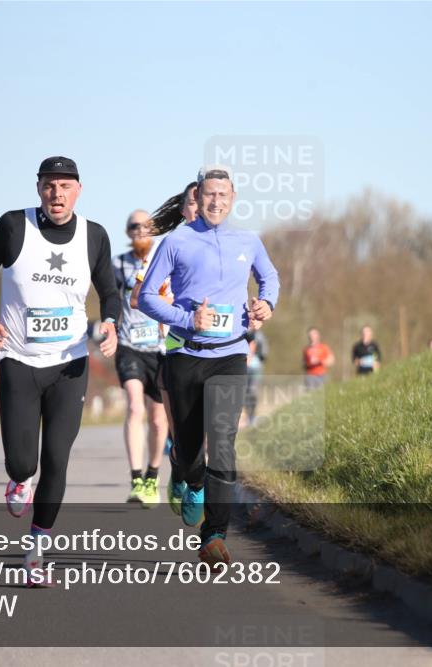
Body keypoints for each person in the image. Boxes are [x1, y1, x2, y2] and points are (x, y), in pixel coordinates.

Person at [0, 156, 120, 583]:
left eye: (65, 186)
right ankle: (19, 480)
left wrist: (110, 323)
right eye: (49, 186)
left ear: (79, 189)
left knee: (57, 458)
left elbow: (109, 291)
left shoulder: (94, 236)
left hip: (69, 366)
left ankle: (36, 551)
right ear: (38, 189)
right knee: (22, 462)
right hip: (18, 360)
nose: (57, 194)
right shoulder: (14, 226)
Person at [139, 165, 280, 568]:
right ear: (198, 198)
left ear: (232, 198)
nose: (216, 201)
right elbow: (148, 297)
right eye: (209, 194)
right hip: (185, 355)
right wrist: (186, 320)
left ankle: (215, 535)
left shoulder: (248, 241)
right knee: (187, 450)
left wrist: (265, 304)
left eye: (223, 194)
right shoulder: (176, 242)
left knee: (222, 442)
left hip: (230, 355)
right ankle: (187, 476)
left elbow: (270, 279)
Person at [132, 182, 198, 515]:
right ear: (183, 209)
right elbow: (137, 297)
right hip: (172, 349)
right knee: (178, 428)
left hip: (212, 351)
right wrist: (167, 302)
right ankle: (179, 469)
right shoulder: (172, 246)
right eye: (193, 202)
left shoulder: (221, 247)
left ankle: (194, 481)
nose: (201, 207)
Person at [113, 209, 169, 508]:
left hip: (160, 349)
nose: (140, 231)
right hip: (129, 346)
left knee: (159, 420)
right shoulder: (118, 264)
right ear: (128, 232)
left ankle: (152, 474)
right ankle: (136, 478)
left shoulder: (164, 260)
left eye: (146, 226)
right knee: (135, 407)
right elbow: (108, 299)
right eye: (135, 226)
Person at [243, 328, 267, 426]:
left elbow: (264, 349)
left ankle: (252, 417)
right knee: (242, 393)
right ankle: (246, 417)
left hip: (255, 367)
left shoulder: (259, 334)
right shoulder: (240, 332)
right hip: (242, 367)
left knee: (252, 392)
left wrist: (260, 359)